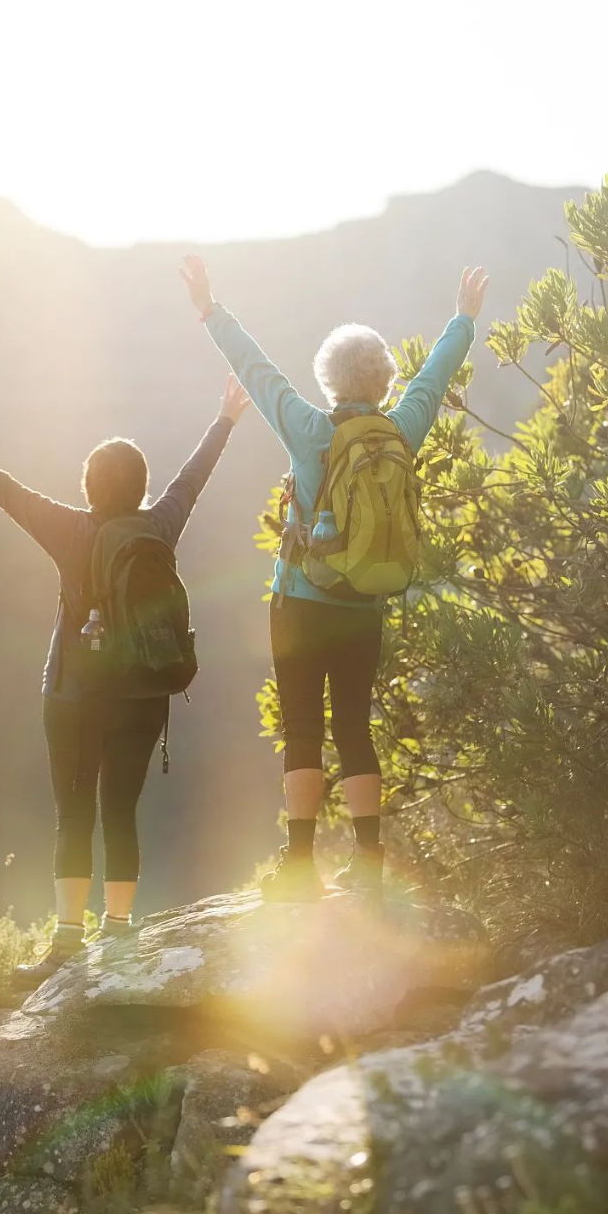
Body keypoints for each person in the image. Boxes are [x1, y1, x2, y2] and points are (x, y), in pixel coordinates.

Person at [0, 375, 251, 986]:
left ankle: (67, 942)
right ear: (142, 488)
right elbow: (190, 482)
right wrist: (224, 420)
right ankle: (117, 934)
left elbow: (5, 491)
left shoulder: (69, 529)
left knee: (74, 811)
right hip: (145, 696)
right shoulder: (160, 526)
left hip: (74, 697)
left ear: (89, 487)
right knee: (120, 809)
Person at [180, 258, 489, 902]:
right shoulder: (402, 427)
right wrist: (462, 317)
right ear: (382, 380)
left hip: (300, 601)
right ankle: (369, 861)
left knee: (301, 726)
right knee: (353, 724)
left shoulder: (310, 429)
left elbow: (256, 370)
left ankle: (299, 865)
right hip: (365, 603)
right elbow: (434, 379)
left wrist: (211, 309)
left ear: (328, 380)